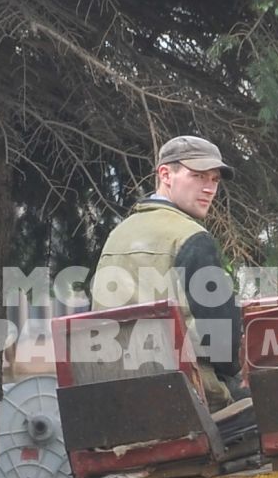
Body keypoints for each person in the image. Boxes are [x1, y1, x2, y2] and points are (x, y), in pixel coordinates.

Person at [91, 134, 243, 410]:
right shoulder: (191, 237)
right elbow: (224, 339)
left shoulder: (117, 236)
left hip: (120, 399)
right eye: (198, 176)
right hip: (189, 397)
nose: (209, 188)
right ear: (165, 174)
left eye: (214, 180)